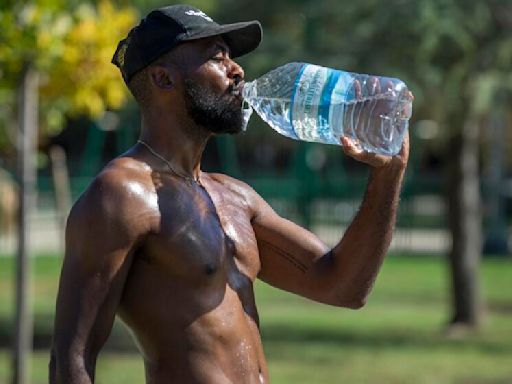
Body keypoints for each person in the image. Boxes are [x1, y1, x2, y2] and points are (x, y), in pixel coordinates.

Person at [49, 4, 409, 384]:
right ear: (163, 79)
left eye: (232, 58)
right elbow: (72, 359)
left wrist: (388, 175)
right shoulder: (122, 195)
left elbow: (344, 285)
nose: (237, 69)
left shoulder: (235, 197)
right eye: (216, 57)